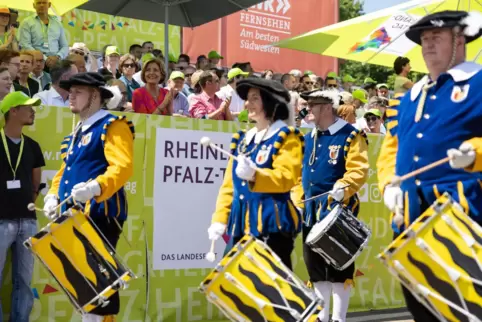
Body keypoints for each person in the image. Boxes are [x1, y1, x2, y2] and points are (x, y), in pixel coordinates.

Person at [377, 10, 482, 321]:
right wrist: (388, 185)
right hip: (410, 220)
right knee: (421, 310)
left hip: (463, 218)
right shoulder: (408, 97)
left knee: (466, 311)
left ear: (460, 39)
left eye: (437, 37)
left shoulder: (479, 83)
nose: (428, 46)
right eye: (424, 40)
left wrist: (475, 153)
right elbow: (390, 149)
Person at [43, 72, 134, 322]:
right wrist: (52, 196)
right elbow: (63, 172)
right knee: (82, 285)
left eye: (78, 91)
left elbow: (123, 167)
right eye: (70, 91)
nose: (70, 95)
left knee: (100, 285)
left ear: (95, 95)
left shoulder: (112, 124)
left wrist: (95, 188)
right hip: (73, 215)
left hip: (100, 214)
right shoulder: (76, 133)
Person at [208, 78, 304, 269]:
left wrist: (255, 176)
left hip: (270, 224)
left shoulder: (287, 137)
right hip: (239, 224)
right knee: (232, 285)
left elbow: (286, 178)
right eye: (247, 98)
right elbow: (229, 186)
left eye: (254, 99)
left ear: (270, 103)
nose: (247, 104)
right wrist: (219, 218)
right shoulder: (243, 140)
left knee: (271, 291)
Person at [292, 89, 369, 322]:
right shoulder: (308, 138)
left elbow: (359, 170)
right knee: (314, 265)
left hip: (338, 210)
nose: (307, 110)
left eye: (312, 105)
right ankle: (321, 316)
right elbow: (298, 175)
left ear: (326, 107)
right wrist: (298, 200)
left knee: (339, 266)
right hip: (311, 212)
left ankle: (339, 318)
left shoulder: (351, 135)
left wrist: (344, 187)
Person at [0, 92, 45, 322]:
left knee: (25, 281)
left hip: (28, 221)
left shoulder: (33, 146)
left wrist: (32, 197)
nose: (33, 111)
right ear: (13, 111)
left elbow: (36, 181)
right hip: (1, 221)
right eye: (28, 107)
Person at [18, 0, 69, 69]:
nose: (41, 5)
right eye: (39, 3)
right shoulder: (27, 22)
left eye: (44, 2)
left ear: (49, 5)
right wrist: (44, 58)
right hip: (35, 63)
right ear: (34, 5)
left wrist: (58, 57)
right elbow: (25, 45)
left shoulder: (57, 23)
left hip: (56, 62)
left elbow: (65, 46)